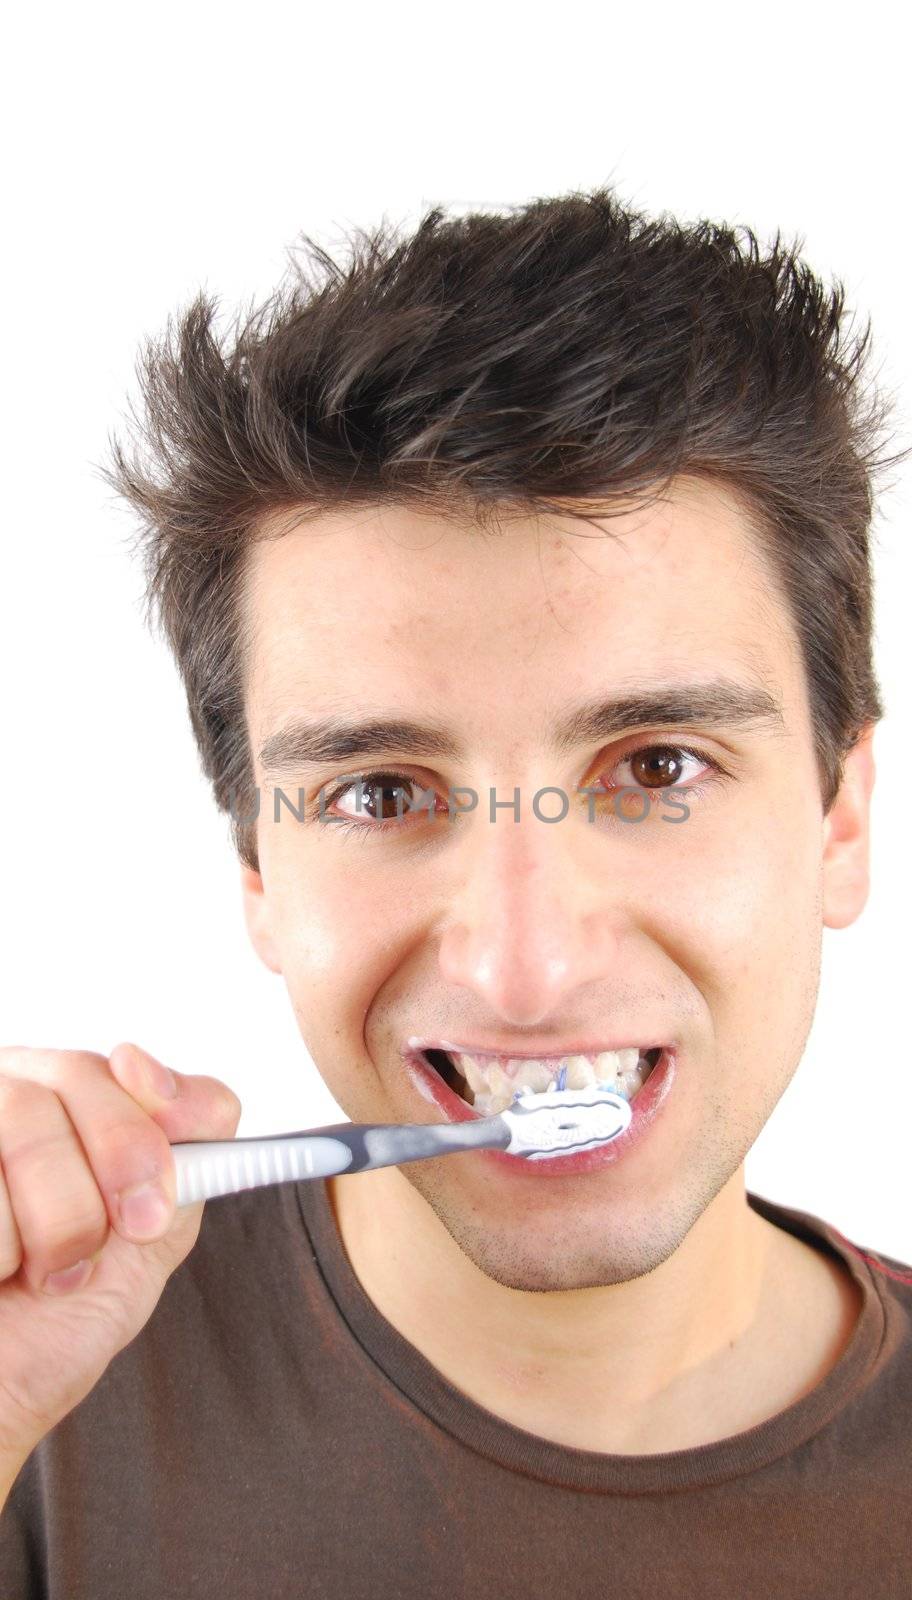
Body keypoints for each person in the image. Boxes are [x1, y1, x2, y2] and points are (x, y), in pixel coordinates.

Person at [1, 188, 910, 1597]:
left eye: (656, 765)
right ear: (256, 867)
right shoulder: (43, 1391)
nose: (525, 970)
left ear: (841, 811)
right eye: (381, 795)